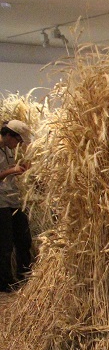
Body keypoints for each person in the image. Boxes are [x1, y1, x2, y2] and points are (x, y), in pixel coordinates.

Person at [0, 120, 33, 293]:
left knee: (24, 239)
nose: (18, 145)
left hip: (12, 200)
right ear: (8, 135)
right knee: (5, 245)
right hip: (1, 204)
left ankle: (24, 276)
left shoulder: (8, 149)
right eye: (18, 141)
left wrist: (20, 169)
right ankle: (5, 284)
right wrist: (10, 171)